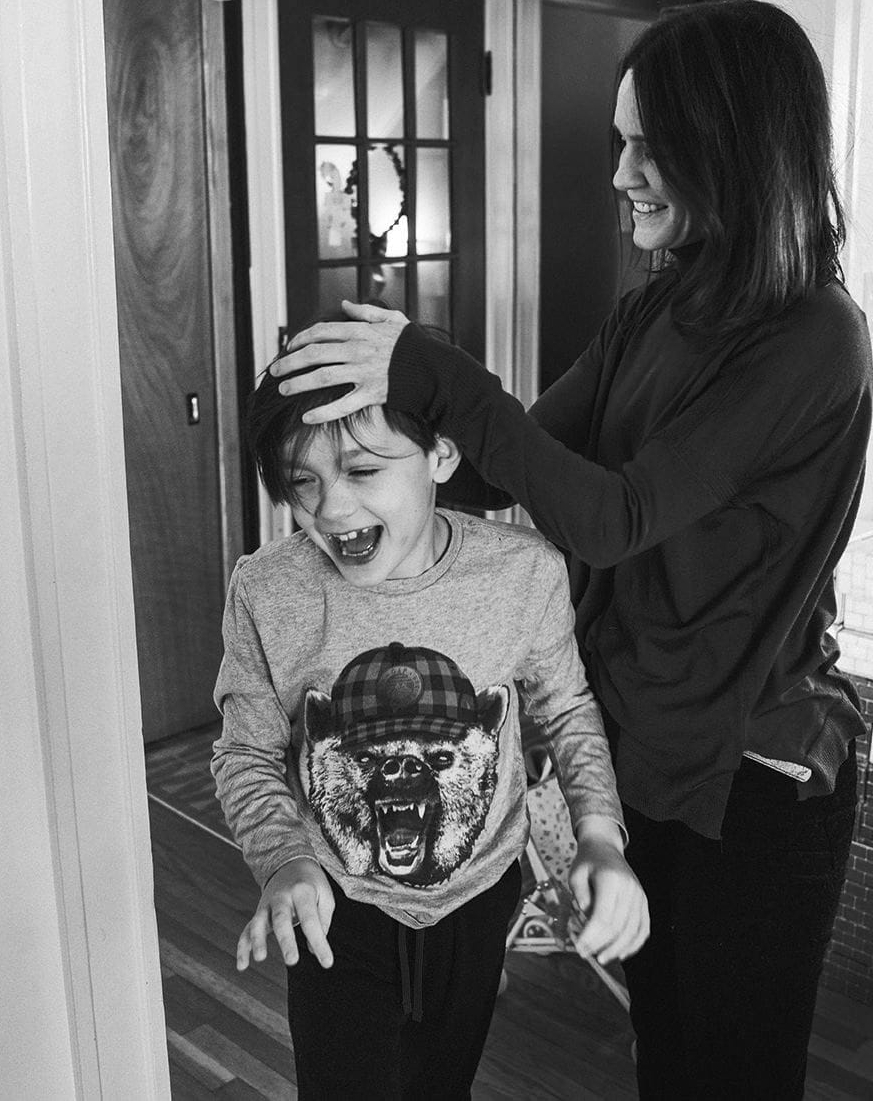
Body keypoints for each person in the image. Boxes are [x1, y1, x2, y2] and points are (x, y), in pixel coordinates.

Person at [268, 0, 873, 1099]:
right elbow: (513, 467)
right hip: (647, 759)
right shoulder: (656, 312)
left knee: (730, 1077)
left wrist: (442, 370)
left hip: (754, 782)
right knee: (667, 1057)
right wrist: (389, 424)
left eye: (650, 145)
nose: (621, 173)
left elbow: (610, 517)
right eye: (620, 141)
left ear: (729, 150)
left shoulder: (813, 339)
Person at [211, 320, 651, 1100]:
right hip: (335, 907)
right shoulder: (268, 590)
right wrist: (285, 859)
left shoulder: (523, 572)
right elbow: (244, 751)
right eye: (301, 480)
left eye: (361, 469)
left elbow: (569, 708)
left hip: (482, 902)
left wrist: (600, 835)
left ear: (442, 454)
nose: (330, 507)